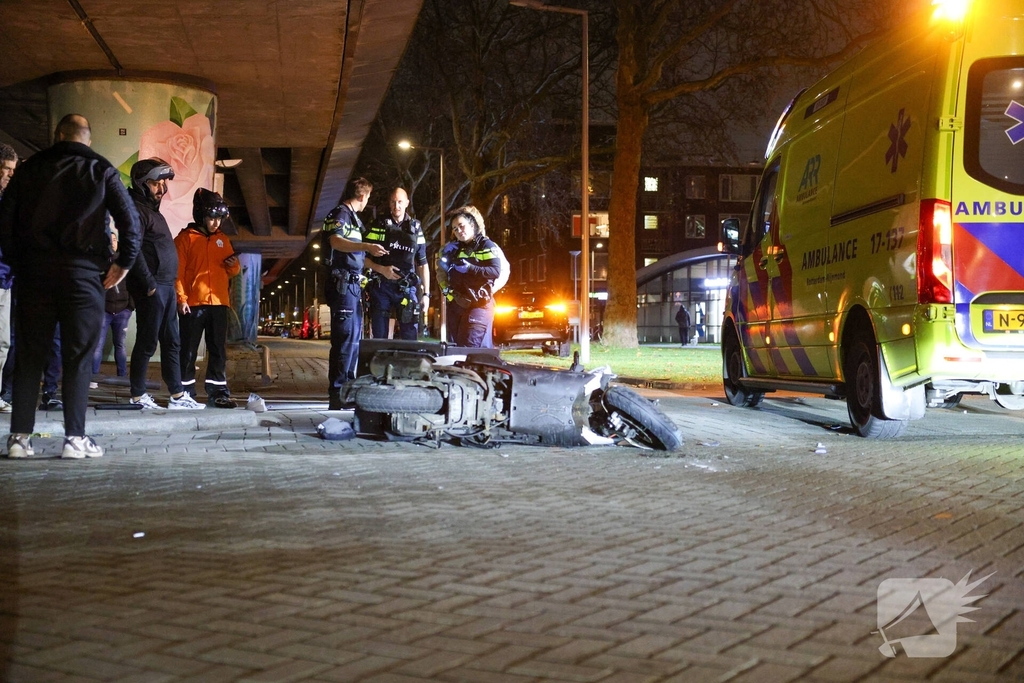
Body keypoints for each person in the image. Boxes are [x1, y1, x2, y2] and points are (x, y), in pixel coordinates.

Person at [0, 113, 140, 459]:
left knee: (30, 354)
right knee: (78, 356)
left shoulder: (30, 169)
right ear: (87, 140)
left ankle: (19, 439)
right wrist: (122, 264)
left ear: (58, 135)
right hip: (83, 276)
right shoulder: (102, 170)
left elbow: (4, 222)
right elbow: (131, 223)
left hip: (35, 275)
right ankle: (75, 440)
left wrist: (20, 264)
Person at [127, 158, 205, 410]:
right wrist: (149, 284)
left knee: (172, 342)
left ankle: (177, 396)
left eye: (163, 184)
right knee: (147, 342)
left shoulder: (152, 211)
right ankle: (138, 396)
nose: (162, 189)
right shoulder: (137, 211)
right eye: (155, 184)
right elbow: (133, 249)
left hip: (166, 286)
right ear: (141, 184)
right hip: (153, 287)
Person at [320, 177, 385, 409]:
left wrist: (378, 268)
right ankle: (337, 394)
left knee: (354, 341)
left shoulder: (354, 219)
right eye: (368, 197)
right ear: (363, 196)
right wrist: (366, 246)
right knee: (344, 340)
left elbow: (356, 255)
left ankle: (347, 390)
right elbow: (336, 242)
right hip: (343, 285)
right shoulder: (340, 214)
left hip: (353, 287)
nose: (367, 202)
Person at [175, 188, 240, 409]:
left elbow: (233, 270)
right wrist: (181, 298)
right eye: (212, 218)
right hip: (193, 303)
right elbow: (177, 273)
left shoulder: (223, 239)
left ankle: (218, 392)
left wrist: (233, 265)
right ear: (200, 215)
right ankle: (184, 392)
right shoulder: (185, 239)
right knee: (188, 350)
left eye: (219, 218)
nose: (216, 223)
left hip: (219, 303)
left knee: (218, 350)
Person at [363, 187, 429, 340]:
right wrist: (381, 269)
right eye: (393, 202)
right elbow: (361, 258)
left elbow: (423, 264)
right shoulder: (377, 225)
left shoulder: (416, 228)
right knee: (379, 337)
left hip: (406, 288)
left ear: (407, 203)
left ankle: (407, 356)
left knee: (410, 337)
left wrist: (426, 295)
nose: (396, 206)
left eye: (400, 202)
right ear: (389, 203)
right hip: (381, 287)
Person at [436, 205, 504, 347]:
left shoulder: (486, 245)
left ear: (472, 225)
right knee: (458, 349)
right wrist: (444, 256)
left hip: (479, 304)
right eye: (455, 229)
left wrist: (470, 268)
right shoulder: (455, 248)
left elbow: (495, 271)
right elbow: (442, 273)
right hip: (458, 304)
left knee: (470, 346)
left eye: (461, 226)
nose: (459, 231)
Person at [0, 143, 16, 413]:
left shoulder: (6, 201)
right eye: (6, 169)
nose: (11, 175)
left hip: (6, 280)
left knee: (3, 343)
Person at [92, 283, 132, 377]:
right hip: (103, 311)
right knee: (98, 345)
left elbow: (133, 288)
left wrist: (130, 308)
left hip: (123, 311)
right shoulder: (102, 274)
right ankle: (94, 377)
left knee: (120, 345)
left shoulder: (126, 274)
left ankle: (122, 376)